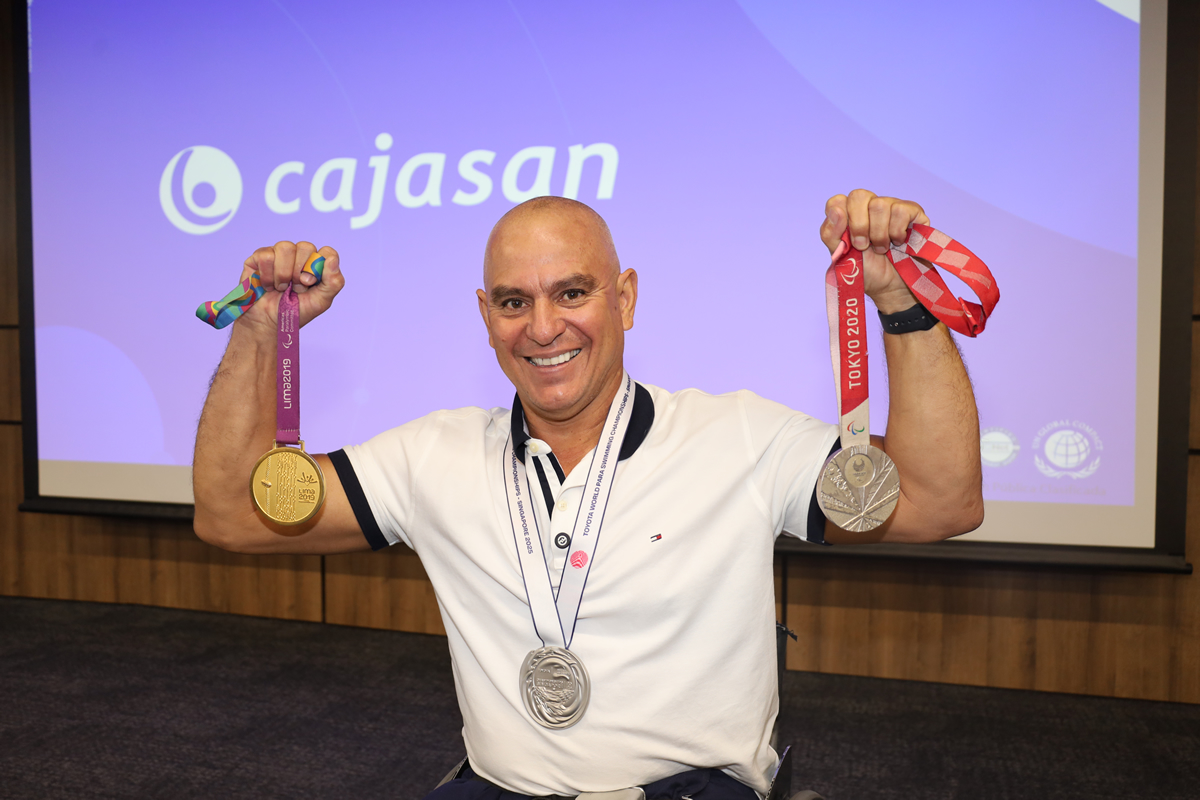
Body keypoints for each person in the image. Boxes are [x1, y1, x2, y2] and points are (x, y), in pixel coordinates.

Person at [193, 190, 983, 799]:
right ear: (485, 315)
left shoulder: (736, 437)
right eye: (513, 302)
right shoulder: (429, 456)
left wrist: (897, 298)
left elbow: (937, 502)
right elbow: (230, 513)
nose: (542, 328)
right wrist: (262, 327)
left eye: (572, 293)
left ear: (626, 298)